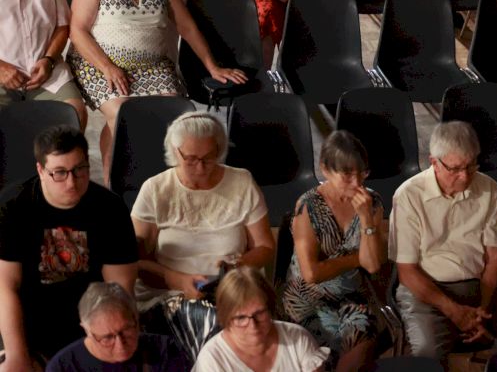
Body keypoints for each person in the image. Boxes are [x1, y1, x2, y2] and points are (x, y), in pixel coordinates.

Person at [67, 0, 246, 182]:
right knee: (121, 114)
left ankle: (154, 178)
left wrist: (213, 66)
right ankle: (115, 180)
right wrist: (107, 67)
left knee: (171, 111)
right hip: (98, 63)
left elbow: (187, 27)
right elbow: (78, 31)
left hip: (152, 64)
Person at [389, 121, 497, 362]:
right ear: (434, 162)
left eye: (471, 165)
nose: (464, 176)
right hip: (429, 293)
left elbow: (495, 259)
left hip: (482, 288)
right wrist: (456, 313)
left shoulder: (488, 188)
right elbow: (407, 272)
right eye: (455, 169)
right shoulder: (409, 195)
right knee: (426, 356)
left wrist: (485, 311)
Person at [0, 126, 138, 370]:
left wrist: (101, 346)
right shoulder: (13, 206)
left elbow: (119, 291)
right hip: (29, 323)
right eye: (60, 173)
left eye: (79, 169)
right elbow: (6, 287)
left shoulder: (111, 209)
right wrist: (16, 354)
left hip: (92, 324)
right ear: (41, 170)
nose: (72, 182)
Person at [131, 112, 274, 307]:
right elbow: (135, 262)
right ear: (174, 151)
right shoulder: (155, 189)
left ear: (219, 149)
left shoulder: (242, 182)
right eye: (190, 159)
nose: (200, 168)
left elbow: (265, 247)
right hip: (169, 294)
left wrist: (236, 267)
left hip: (229, 290)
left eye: (208, 158)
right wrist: (179, 281)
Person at [282, 131, 385, 372]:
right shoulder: (308, 205)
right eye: (347, 174)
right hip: (307, 298)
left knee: (364, 335)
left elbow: (372, 265)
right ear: (325, 170)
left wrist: (366, 219)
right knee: (317, 352)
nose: (357, 183)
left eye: (362, 173)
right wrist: (357, 258)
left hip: (351, 296)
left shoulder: (372, 203)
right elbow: (311, 274)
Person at [0, 0, 87, 128]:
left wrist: (48, 60)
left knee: (75, 114)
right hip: (2, 75)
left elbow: (62, 26)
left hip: (46, 72)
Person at [194, 266, 330, 372]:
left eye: (259, 313)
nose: (253, 325)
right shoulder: (212, 359)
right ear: (226, 318)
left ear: (270, 307)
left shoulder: (298, 339)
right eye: (241, 318)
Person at [46, 282, 188, 371]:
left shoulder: (166, 350)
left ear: (136, 318)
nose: (121, 345)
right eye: (107, 338)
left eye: (126, 331)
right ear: (87, 330)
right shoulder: (63, 367)